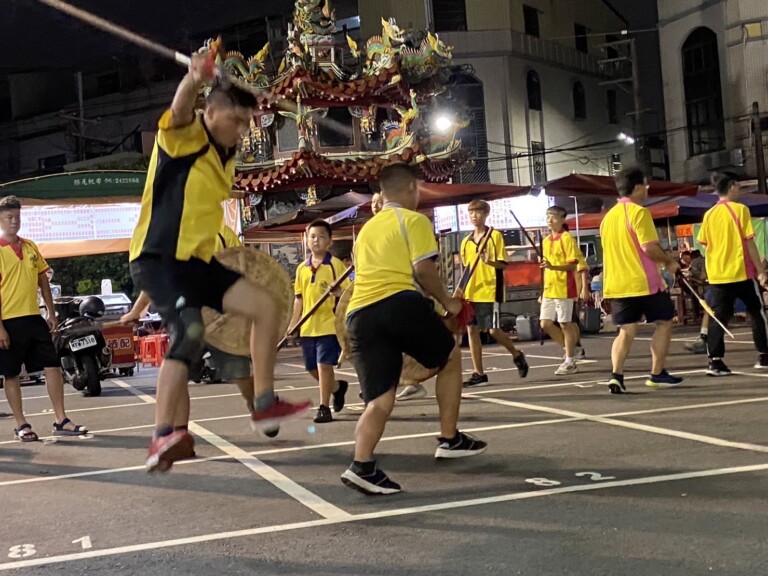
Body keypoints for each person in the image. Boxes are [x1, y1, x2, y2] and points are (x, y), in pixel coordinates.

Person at [129, 54, 311, 473]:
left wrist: (244, 99)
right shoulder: (182, 138)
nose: (242, 131)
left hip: (197, 262)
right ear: (209, 113)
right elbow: (178, 108)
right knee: (189, 330)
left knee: (264, 307)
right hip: (158, 259)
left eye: (247, 123)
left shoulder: (224, 156)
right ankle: (161, 437)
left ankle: (264, 402)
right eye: (235, 120)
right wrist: (194, 80)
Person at [341, 164, 487, 495]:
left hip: (358, 316)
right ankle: (449, 439)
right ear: (410, 188)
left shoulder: (366, 230)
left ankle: (361, 465)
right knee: (450, 358)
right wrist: (448, 303)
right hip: (396, 304)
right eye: (418, 189)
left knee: (379, 399)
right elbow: (424, 272)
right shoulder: (414, 221)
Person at [122, 224, 258, 423]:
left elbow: (241, 267)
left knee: (239, 374)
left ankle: (255, 401)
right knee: (177, 376)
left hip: (221, 319)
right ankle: (179, 434)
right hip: (185, 319)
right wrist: (136, 311)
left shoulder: (221, 232)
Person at [0, 196, 88, 441]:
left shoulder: (30, 247)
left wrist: (51, 312)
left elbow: (43, 281)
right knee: (11, 374)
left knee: (53, 365)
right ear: (0, 219)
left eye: (17, 216)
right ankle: (21, 425)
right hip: (8, 320)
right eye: (8, 217)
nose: (14, 221)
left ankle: (61, 419)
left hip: (33, 317)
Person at [600, 167, 683, 393]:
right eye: (645, 185)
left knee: (626, 330)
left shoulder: (608, 218)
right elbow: (649, 248)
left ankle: (616, 375)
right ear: (637, 187)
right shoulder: (638, 213)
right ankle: (657, 373)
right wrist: (669, 262)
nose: (647, 189)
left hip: (617, 284)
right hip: (644, 281)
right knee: (664, 322)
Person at [697, 172, 768, 375]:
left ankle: (715, 361)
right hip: (740, 271)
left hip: (718, 274)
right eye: (738, 186)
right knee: (756, 312)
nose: (740, 190)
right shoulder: (740, 210)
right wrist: (761, 270)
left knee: (718, 317)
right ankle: (763, 354)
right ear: (731, 187)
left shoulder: (709, 215)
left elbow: (704, 245)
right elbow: (749, 242)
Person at [287, 219, 350, 423]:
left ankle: (324, 407)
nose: (316, 240)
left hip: (328, 325)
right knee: (312, 368)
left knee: (324, 366)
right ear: (307, 239)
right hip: (307, 327)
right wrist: (293, 324)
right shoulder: (301, 269)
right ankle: (337, 388)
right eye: (312, 236)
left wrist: (338, 291)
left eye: (321, 236)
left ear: (329, 241)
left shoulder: (336, 265)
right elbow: (299, 299)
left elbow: (349, 293)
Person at [460, 200, 528, 388]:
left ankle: (516, 354)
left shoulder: (494, 236)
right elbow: (466, 268)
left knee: (493, 330)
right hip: (471, 292)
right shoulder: (466, 241)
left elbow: (503, 264)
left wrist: (489, 261)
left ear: (486, 214)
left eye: (478, 212)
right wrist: (461, 290)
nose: (474, 216)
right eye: (471, 212)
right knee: (471, 330)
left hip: (490, 291)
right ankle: (478, 373)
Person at [539, 207, 580, 375]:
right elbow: (545, 267)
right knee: (545, 323)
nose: (550, 220)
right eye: (548, 217)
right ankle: (569, 349)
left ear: (562, 219)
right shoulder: (546, 240)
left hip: (564, 286)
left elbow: (573, 264)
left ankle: (570, 360)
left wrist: (552, 266)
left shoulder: (567, 238)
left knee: (565, 323)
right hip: (549, 288)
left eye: (554, 217)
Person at [683, 250, 710, 354]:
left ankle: (704, 339)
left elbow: (702, 276)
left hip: (709, 285)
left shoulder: (695, 263)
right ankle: (704, 339)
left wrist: (690, 274)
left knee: (709, 309)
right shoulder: (704, 259)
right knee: (709, 309)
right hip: (715, 281)